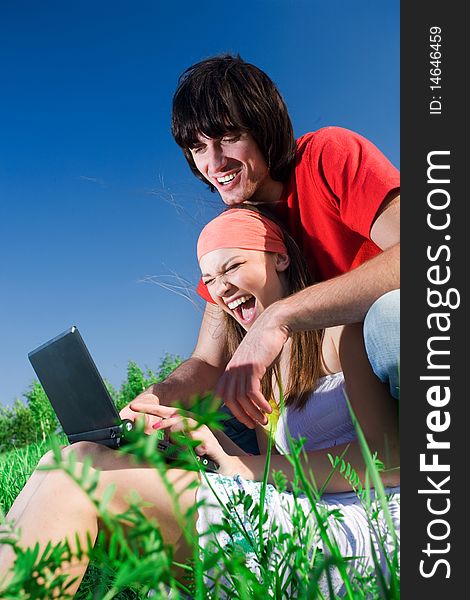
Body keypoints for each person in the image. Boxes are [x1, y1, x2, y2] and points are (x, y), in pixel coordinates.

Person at [0, 208, 399, 597]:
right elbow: (267, 473)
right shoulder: (256, 368)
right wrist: (208, 445)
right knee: (63, 460)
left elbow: (389, 461)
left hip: (363, 529)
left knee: (81, 470)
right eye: (210, 279)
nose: (220, 288)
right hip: (297, 513)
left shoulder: (340, 332)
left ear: (280, 258)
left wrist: (239, 465)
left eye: (231, 268)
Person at [122, 54, 400, 453]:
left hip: (382, 365)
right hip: (326, 394)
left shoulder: (327, 155)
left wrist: (280, 316)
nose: (214, 163)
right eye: (198, 148)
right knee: (192, 432)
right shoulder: (239, 230)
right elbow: (208, 361)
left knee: (392, 321)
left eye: (227, 138)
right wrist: (157, 400)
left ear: (263, 127)